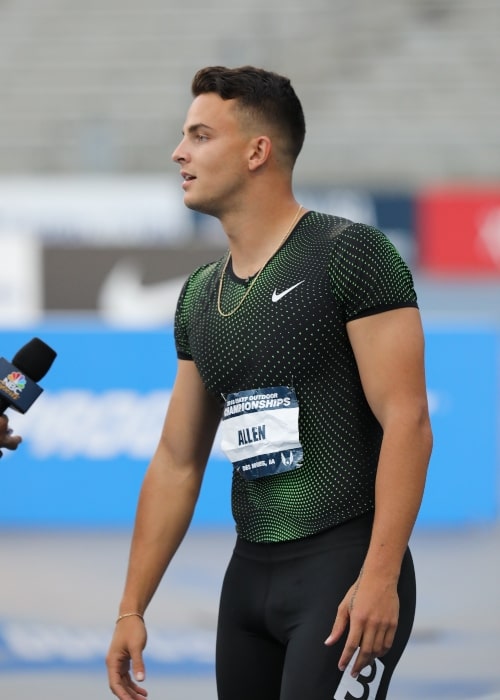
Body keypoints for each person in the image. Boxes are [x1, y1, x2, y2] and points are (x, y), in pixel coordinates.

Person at [106, 65, 433, 700]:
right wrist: (131, 607)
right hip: (248, 578)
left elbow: (409, 421)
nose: (179, 152)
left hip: (344, 572)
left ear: (258, 151)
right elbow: (177, 461)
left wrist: (381, 574)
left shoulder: (351, 253)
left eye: (200, 135)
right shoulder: (200, 294)